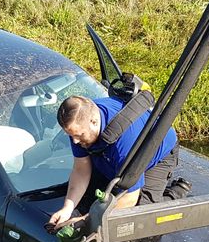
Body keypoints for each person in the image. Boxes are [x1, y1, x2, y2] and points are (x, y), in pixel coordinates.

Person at [48, 94, 189, 227]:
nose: (75, 141)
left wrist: (87, 220)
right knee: (89, 199)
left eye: (79, 135)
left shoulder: (125, 143)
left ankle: (177, 191)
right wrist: (67, 208)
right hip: (112, 149)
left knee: (142, 215)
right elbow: (81, 170)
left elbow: (131, 198)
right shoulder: (78, 123)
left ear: (94, 121)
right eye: (71, 135)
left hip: (156, 151)